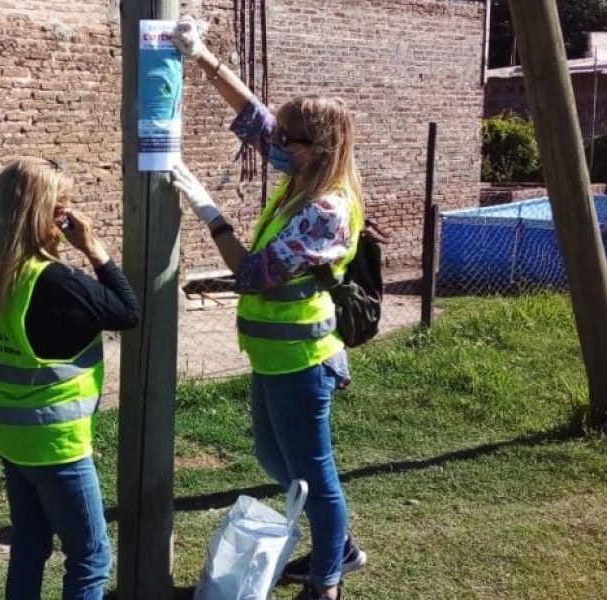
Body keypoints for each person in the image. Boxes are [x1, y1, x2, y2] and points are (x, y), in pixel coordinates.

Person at [171, 16, 367, 600]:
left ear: (318, 149)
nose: (273, 144)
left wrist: (208, 210)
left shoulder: (327, 208)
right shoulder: (303, 175)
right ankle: (338, 541)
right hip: (272, 352)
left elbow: (252, 273)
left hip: (302, 358)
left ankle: (329, 577)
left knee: (314, 474)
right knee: (269, 455)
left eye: (287, 140)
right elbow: (257, 113)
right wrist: (202, 56)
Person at [0, 157, 140, 600]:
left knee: (29, 543)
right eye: (62, 209)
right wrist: (94, 248)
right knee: (91, 557)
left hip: (11, 435)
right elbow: (127, 311)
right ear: (40, 214)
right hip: (56, 443)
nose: (67, 219)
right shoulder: (54, 282)